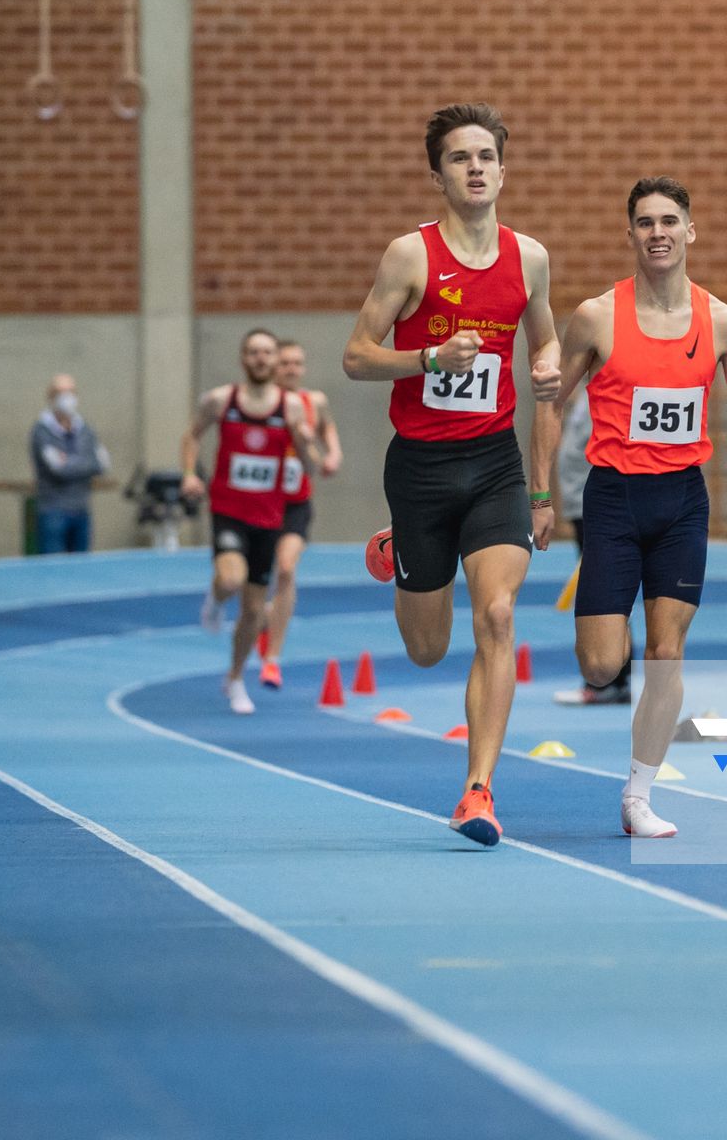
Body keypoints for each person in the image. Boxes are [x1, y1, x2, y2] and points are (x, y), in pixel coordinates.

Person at [340, 102, 560, 848]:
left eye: (486, 157)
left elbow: (545, 356)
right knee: (427, 649)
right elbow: (356, 355)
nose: (475, 168)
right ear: (437, 173)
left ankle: (478, 791)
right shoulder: (410, 256)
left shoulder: (529, 258)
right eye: (460, 157)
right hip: (423, 470)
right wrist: (428, 359)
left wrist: (540, 480)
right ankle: (400, 542)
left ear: (503, 169)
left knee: (497, 616)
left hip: (493, 462)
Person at [555, 175, 727, 837]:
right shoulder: (597, 316)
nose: (658, 233)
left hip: (682, 499)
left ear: (690, 231)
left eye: (669, 221)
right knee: (601, 663)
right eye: (646, 222)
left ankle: (638, 797)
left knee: (666, 652)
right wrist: (540, 494)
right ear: (630, 234)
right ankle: (611, 660)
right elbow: (552, 400)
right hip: (613, 498)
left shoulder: (724, 322)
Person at [179, 328, 320, 715]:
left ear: (275, 360)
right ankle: (215, 596)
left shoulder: (291, 408)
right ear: (243, 358)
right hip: (229, 510)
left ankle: (236, 677)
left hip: (269, 516)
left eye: (267, 353)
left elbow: (311, 468)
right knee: (230, 578)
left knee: (255, 612)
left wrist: (306, 443)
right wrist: (190, 473)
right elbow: (191, 436)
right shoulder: (222, 400)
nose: (261, 359)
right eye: (254, 352)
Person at [255, 340, 343, 690]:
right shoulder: (259, 402)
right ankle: (262, 615)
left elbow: (329, 428)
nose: (292, 369)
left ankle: (272, 660)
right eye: (285, 363)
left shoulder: (314, 401)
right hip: (258, 503)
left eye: (297, 363)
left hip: (295, 502)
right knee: (254, 583)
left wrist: (333, 453)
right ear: (274, 366)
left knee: (287, 568)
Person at [552, 387, 633, 705]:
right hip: (581, 505)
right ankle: (613, 678)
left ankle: (608, 680)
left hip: (597, 505)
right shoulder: (585, 398)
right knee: (603, 593)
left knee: (604, 595)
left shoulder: (605, 394)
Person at [30, 373, 109, 553]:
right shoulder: (41, 431)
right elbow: (59, 469)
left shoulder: (86, 430)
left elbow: (101, 464)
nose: (67, 397)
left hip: (82, 510)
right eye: (60, 392)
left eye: (71, 391)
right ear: (51, 397)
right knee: (53, 570)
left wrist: (70, 462)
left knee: (80, 570)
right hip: (52, 512)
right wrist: (84, 461)